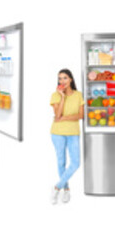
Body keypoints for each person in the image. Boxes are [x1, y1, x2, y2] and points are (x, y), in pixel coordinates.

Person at [48, 69, 84, 205]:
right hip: (57, 133)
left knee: (75, 163)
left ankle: (57, 186)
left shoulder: (79, 95)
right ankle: (66, 189)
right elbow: (57, 115)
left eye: (64, 78)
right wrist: (62, 97)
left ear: (71, 80)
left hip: (73, 132)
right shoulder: (55, 95)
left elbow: (81, 115)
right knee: (61, 162)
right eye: (59, 79)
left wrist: (65, 118)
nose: (62, 81)